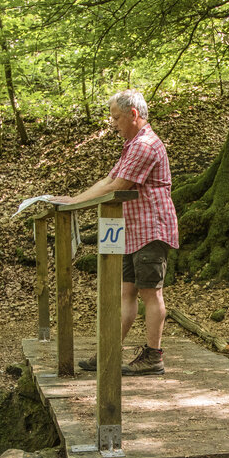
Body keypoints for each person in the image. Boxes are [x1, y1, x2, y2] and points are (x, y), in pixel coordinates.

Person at [50, 90, 178, 376]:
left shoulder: (145, 144)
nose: (113, 123)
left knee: (150, 293)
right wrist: (74, 200)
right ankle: (109, 349)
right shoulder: (131, 145)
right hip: (133, 230)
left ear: (133, 114)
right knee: (126, 291)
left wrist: (76, 203)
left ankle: (153, 356)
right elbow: (108, 179)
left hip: (151, 228)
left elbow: (117, 186)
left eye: (117, 117)